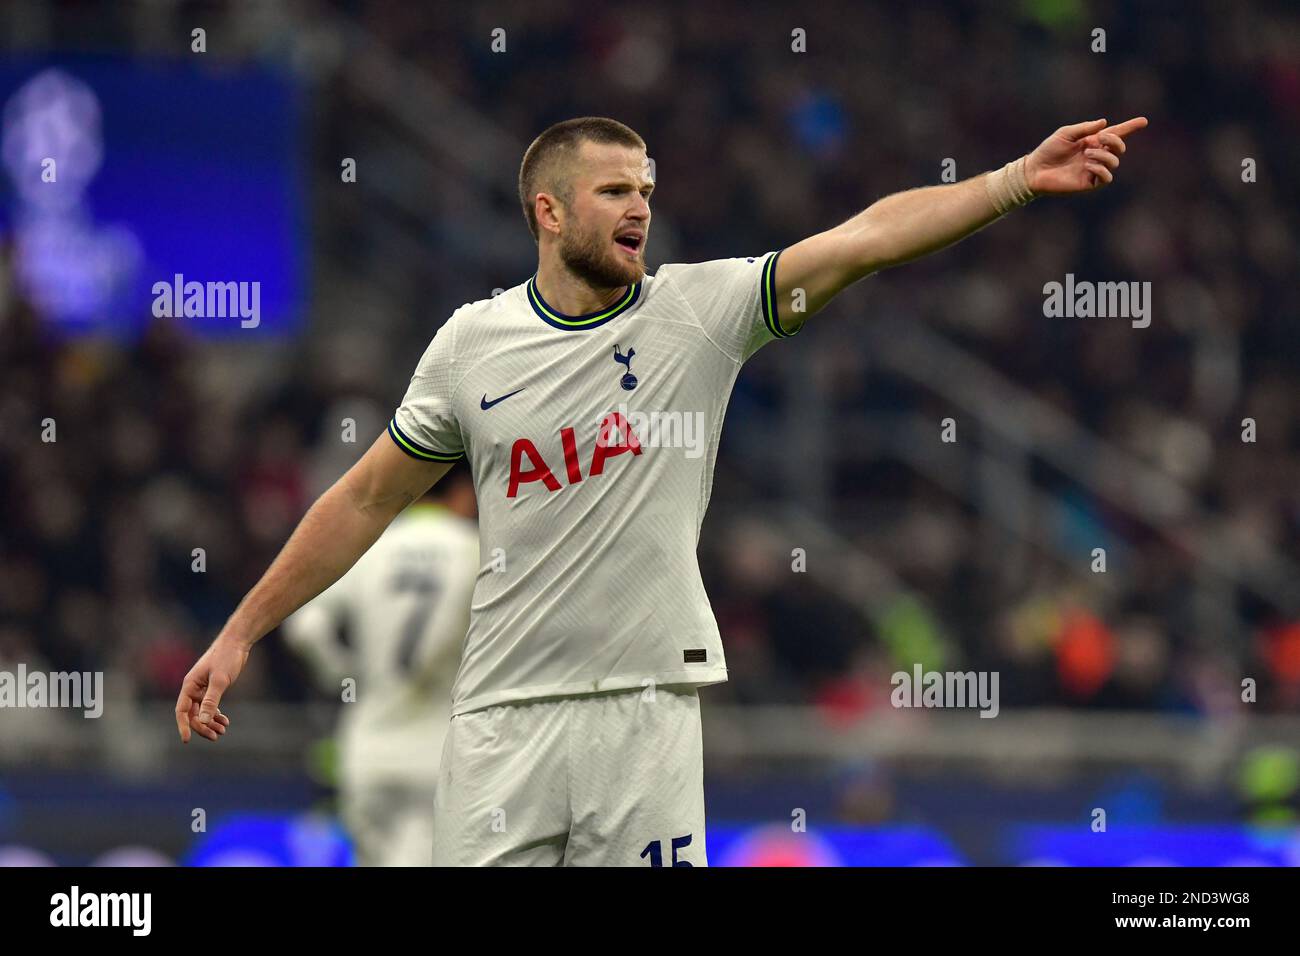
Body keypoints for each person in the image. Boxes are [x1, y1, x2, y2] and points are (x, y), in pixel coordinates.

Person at [176, 113, 1147, 866]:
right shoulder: (470, 344)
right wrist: (239, 631)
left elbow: (863, 240)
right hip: (499, 711)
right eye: (611, 191)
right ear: (548, 211)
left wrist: (1017, 179)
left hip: (645, 706)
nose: (639, 207)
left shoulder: (700, 311)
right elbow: (363, 498)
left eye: (643, 188)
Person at [282, 468, 477, 866]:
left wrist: (345, 676)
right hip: (442, 750)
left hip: (367, 750)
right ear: (463, 495)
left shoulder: (372, 548)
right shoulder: (476, 548)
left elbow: (304, 627)